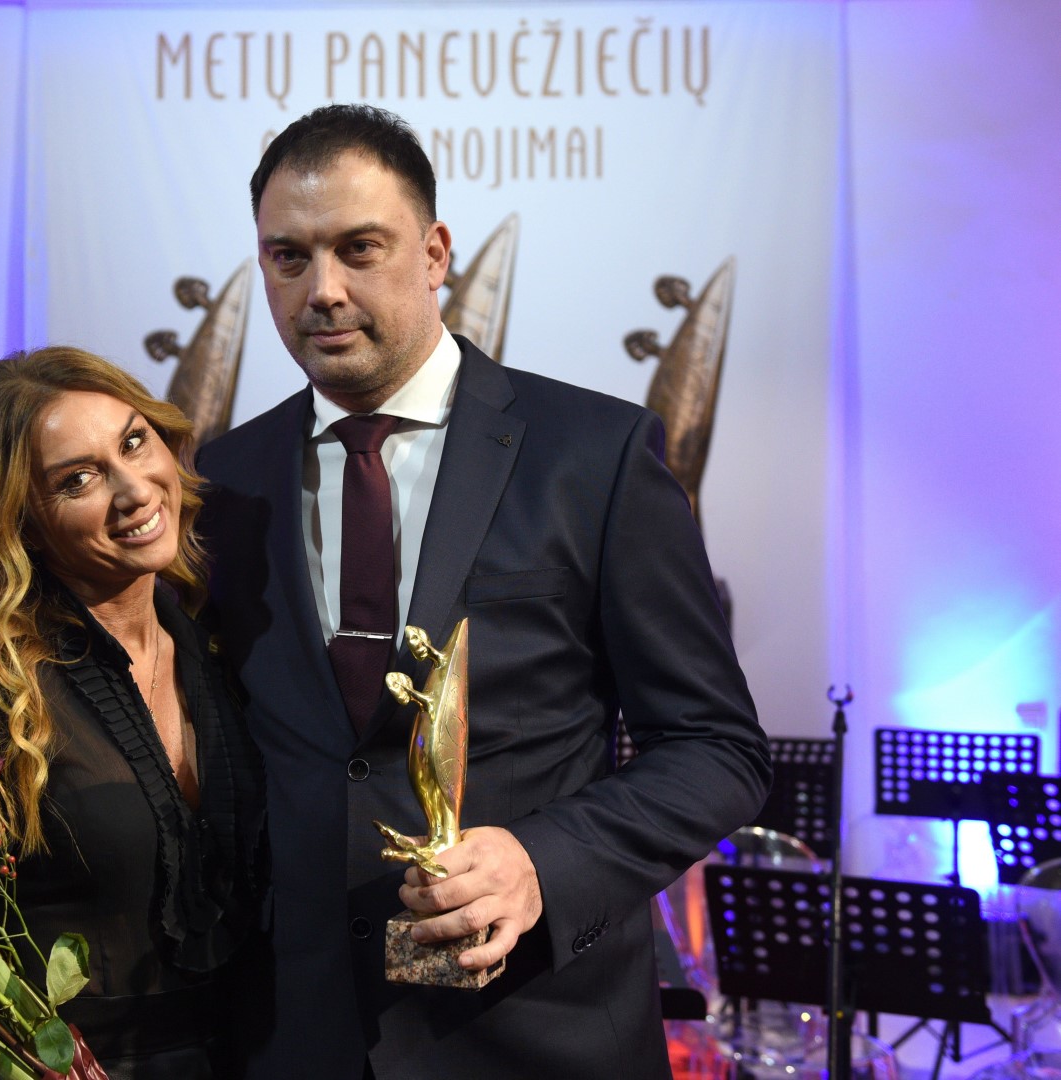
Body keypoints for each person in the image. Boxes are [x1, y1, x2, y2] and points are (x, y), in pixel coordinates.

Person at [195, 104, 770, 1078]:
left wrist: (544, 861)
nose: (322, 290)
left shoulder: (594, 457)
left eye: (359, 248)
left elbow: (716, 748)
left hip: (539, 1038)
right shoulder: (223, 481)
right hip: (296, 1040)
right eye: (289, 258)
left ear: (434, 254)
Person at [0, 346, 265, 1079]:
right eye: (78, 479)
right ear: (21, 521)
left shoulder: (229, 650)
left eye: (134, 442)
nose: (134, 489)